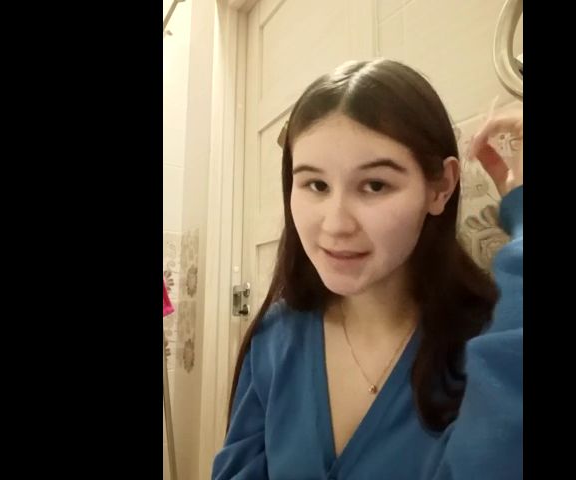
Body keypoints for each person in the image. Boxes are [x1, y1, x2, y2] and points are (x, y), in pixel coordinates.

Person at [213, 58, 523, 479]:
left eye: (375, 185)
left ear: (441, 187)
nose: (336, 225)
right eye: (316, 185)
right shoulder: (275, 337)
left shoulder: (490, 346)